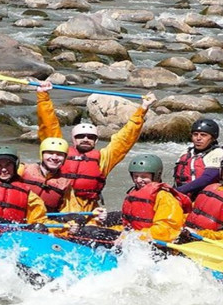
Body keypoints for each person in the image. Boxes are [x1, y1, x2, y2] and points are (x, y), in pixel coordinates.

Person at [36, 81, 157, 212]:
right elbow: (49, 126)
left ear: (96, 140)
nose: (85, 139)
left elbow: (125, 139)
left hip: (88, 210)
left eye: (90, 137)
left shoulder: (104, 159)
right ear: (73, 139)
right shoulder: (58, 154)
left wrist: (143, 109)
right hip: (59, 209)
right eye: (80, 136)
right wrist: (43, 97)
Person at [119, 154, 192, 243]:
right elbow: (128, 225)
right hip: (139, 239)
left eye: (143, 176)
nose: (138, 180)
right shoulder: (134, 193)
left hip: (157, 245)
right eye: (135, 176)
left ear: (156, 175)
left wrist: (134, 236)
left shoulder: (164, 196)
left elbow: (165, 230)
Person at [173, 118, 223, 200]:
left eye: (203, 135)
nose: (198, 138)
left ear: (213, 138)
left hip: (205, 198)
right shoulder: (186, 152)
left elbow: (207, 179)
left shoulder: (218, 153)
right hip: (183, 195)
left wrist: (176, 191)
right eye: (195, 134)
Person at [19, 137, 75, 213]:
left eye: (60, 154)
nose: (54, 157)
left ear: (65, 158)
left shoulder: (65, 184)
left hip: (45, 220)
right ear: (42, 154)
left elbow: (69, 209)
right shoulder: (23, 169)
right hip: (19, 217)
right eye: (50, 153)